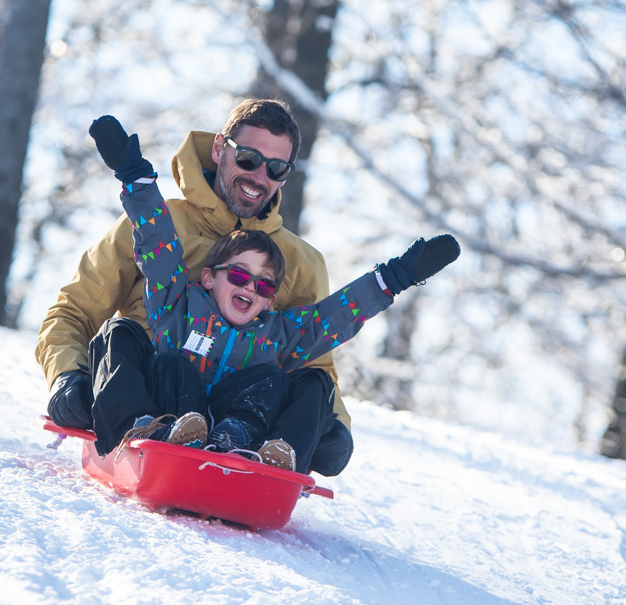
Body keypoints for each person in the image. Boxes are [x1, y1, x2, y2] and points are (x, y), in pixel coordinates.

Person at [88, 115, 460, 470]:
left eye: (263, 284)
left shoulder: (276, 335)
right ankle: (148, 427)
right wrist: (136, 178)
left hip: (233, 431)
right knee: (138, 344)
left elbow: (337, 316)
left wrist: (396, 276)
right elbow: (159, 245)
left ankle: (261, 449)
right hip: (169, 420)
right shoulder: (179, 307)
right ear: (207, 278)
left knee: (301, 381)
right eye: (238, 274)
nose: (249, 286)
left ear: (269, 299)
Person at [38, 99, 350, 475]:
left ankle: (254, 461)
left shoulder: (300, 263)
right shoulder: (156, 221)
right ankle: (147, 428)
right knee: (121, 335)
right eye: (248, 158)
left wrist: (335, 427)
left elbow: (314, 360)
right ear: (220, 149)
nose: (259, 176)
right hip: (154, 396)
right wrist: (67, 375)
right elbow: (76, 310)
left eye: (276, 168)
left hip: (245, 418)